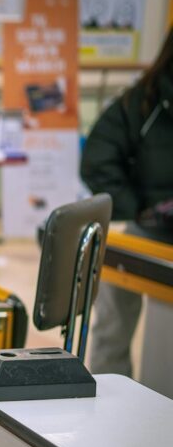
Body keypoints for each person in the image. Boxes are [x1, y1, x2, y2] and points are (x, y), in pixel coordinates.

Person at [81, 25, 173, 377]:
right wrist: (136, 209)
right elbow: (97, 158)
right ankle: (108, 402)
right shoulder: (144, 100)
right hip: (143, 230)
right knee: (112, 329)